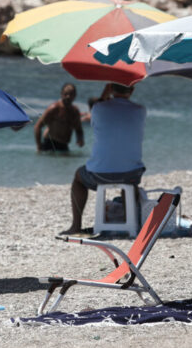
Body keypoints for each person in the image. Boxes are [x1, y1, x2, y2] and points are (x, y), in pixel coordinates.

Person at [62, 83, 146, 235]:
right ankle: (130, 224)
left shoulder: (98, 108)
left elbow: (97, 114)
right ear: (132, 90)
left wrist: (104, 95)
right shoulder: (140, 110)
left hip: (99, 175)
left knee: (78, 177)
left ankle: (75, 226)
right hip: (131, 174)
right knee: (130, 183)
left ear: (110, 88)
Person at [34, 83, 84, 153]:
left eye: (71, 94)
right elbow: (38, 126)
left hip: (64, 145)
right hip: (49, 144)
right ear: (61, 94)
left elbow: (79, 129)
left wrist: (80, 139)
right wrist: (39, 146)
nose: (68, 96)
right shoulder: (54, 108)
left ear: (75, 96)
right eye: (66, 94)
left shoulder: (75, 111)